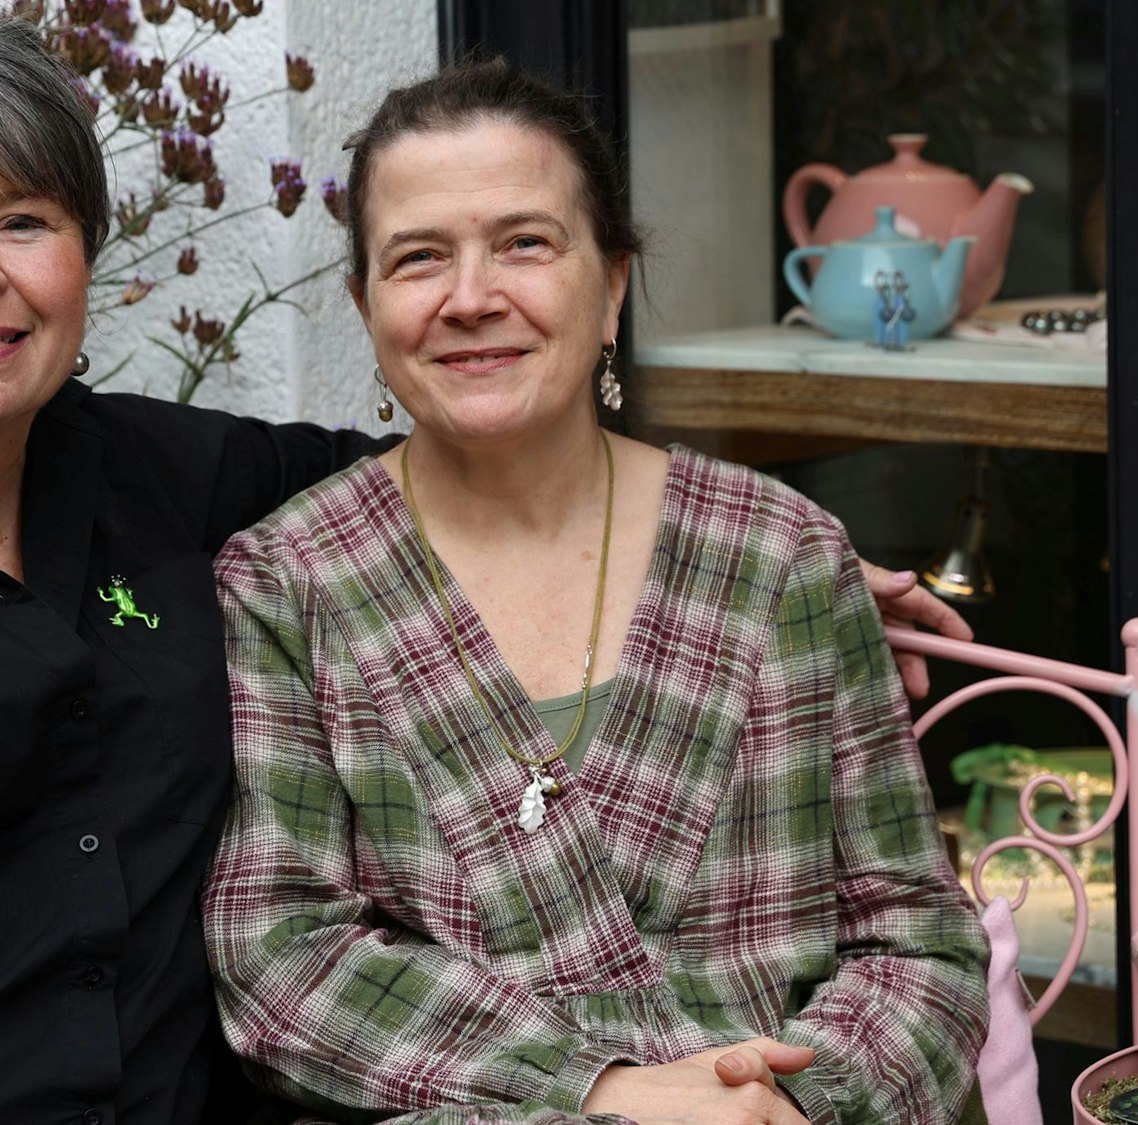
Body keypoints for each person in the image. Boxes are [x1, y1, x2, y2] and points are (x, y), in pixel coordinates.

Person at [0, 6, 966, 1122]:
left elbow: (452, 464)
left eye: (24, 220)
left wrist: (762, 562)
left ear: (88, 256)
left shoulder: (145, 478)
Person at [203, 60, 990, 1125]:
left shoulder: (777, 557)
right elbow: (280, 959)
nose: (471, 296)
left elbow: (915, 937)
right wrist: (609, 1095)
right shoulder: (292, 582)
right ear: (365, 306)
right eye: (417, 258)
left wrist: (787, 1111)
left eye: (525, 243)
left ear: (613, 282)